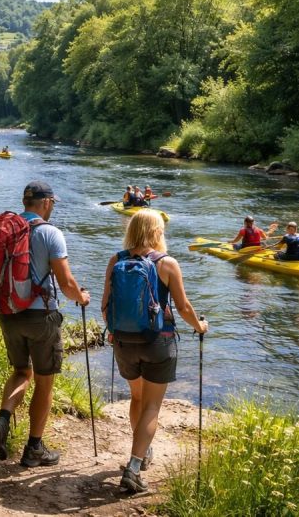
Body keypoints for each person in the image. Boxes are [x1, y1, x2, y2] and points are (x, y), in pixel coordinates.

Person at [102, 209, 208, 493]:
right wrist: (200, 326)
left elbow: (105, 306)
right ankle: (134, 468)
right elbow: (183, 308)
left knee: (137, 398)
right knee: (151, 406)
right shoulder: (167, 263)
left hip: (123, 342)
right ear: (157, 232)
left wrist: (117, 333)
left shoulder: (116, 260)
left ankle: (142, 451)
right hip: (158, 342)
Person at [0, 181, 89, 468]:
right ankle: (34, 448)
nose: (52, 207)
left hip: (8, 313)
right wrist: (81, 297)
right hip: (40, 317)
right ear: (45, 203)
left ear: (25, 202)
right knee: (45, 382)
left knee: (21, 371)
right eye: (52, 203)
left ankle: (3, 419)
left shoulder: (9, 228)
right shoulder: (50, 233)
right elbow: (66, 282)